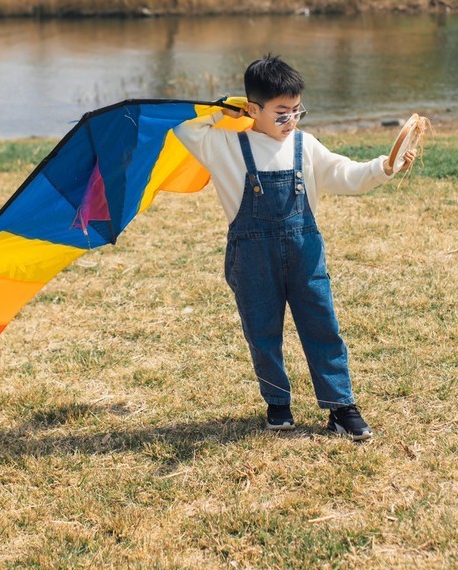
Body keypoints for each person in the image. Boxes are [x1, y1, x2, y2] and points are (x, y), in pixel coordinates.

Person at [175, 55, 414, 441]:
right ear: (253, 109)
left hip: (305, 255)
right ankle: (278, 402)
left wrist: (383, 167)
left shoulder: (306, 145)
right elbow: (184, 128)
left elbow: (345, 174)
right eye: (281, 113)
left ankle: (341, 407)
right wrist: (225, 109)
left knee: (323, 327)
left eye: (297, 110)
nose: (292, 121)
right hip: (252, 259)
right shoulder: (224, 145)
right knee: (262, 331)